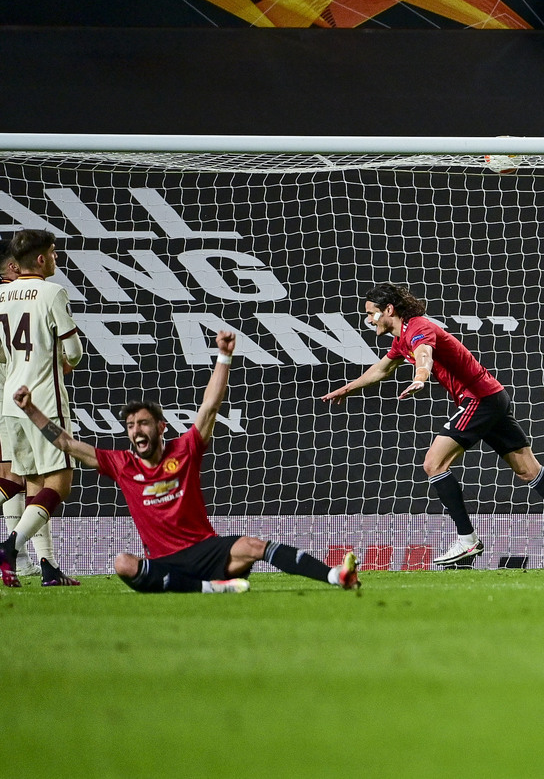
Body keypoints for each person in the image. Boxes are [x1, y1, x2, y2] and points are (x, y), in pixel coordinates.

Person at [13, 330, 360, 593]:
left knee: (254, 545)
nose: (136, 431)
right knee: (123, 564)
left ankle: (336, 576)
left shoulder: (185, 449)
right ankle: (210, 588)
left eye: (143, 423)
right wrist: (30, 410)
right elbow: (67, 444)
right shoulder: (121, 464)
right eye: (131, 426)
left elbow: (210, 406)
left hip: (205, 549)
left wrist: (224, 357)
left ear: (161, 427)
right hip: (165, 561)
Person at [322, 283, 544, 566]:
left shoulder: (418, 327)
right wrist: (347, 389)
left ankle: (467, 540)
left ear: (389, 310)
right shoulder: (401, 339)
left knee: (433, 464)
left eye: (371, 313)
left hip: (479, 399)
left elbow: (424, 355)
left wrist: (420, 377)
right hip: (492, 397)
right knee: (528, 470)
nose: (368, 320)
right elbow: (382, 369)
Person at [0, 230, 83, 587]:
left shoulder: (2, 295)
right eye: (53, 252)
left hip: (10, 400)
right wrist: (61, 366)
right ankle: (9, 548)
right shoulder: (52, 292)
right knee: (60, 483)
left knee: (33, 481)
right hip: (43, 402)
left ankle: (47, 567)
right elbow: (74, 352)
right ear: (40, 259)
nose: (56, 258)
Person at [0, 251, 47, 579]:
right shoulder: (16, 297)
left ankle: (22, 560)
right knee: (30, 477)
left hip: (9, 394)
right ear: (13, 266)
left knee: (15, 474)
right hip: (13, 394)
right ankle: (39, 560)